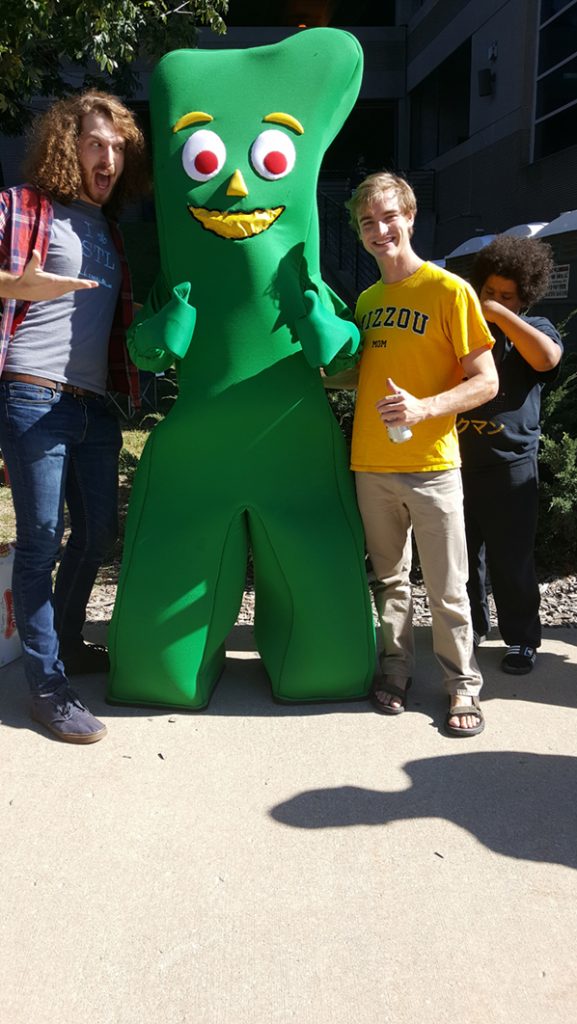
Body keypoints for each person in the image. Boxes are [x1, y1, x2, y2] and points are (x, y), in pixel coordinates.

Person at [0, 91, 148, 743]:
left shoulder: (109, 230)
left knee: (96, 536)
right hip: (32, 395)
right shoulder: (22, 208)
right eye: (94, 142)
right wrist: (10, 287)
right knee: (40, 540)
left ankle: (63, 641)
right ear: (67, 144)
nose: (107, 156)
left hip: (91, 403)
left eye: (117, 147)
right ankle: (47, 688)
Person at [330, 171, 498, 735]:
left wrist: (425, 408)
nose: (380, 231)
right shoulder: (369, 300)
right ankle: (396, 672)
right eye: (367, 223)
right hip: (371, 465)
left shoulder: (450, 290)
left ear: (410, 216)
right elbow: (359, 375)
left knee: (449, 589)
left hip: (432, 468)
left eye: (388, 218)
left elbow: (487, 381)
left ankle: (462, 687)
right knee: (389, 581)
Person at [457, 235, 562, 675]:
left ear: (524, 298)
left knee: (512, 559)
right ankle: (473, 630)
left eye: (507, 296)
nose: (494, 302)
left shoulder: (535, 328)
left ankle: (521, 639)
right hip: (457, 465)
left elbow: (548, 359)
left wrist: (499, 314)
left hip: (511, 469)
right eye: (489, 292)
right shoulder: (462, 333)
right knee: (463, 559)